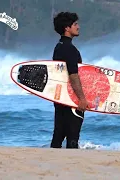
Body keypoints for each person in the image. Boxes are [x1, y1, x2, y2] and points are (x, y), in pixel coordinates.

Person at [51, 12, 89, 149]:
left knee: (58, 136)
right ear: (67, 28)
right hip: (71, 100)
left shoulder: (58, 47)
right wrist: (82, 99)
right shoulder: (70, 50)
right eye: (75, 24)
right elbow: (73, 75)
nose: (78, 27)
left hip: (60, 98)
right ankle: (71, 167)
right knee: (73, 138)